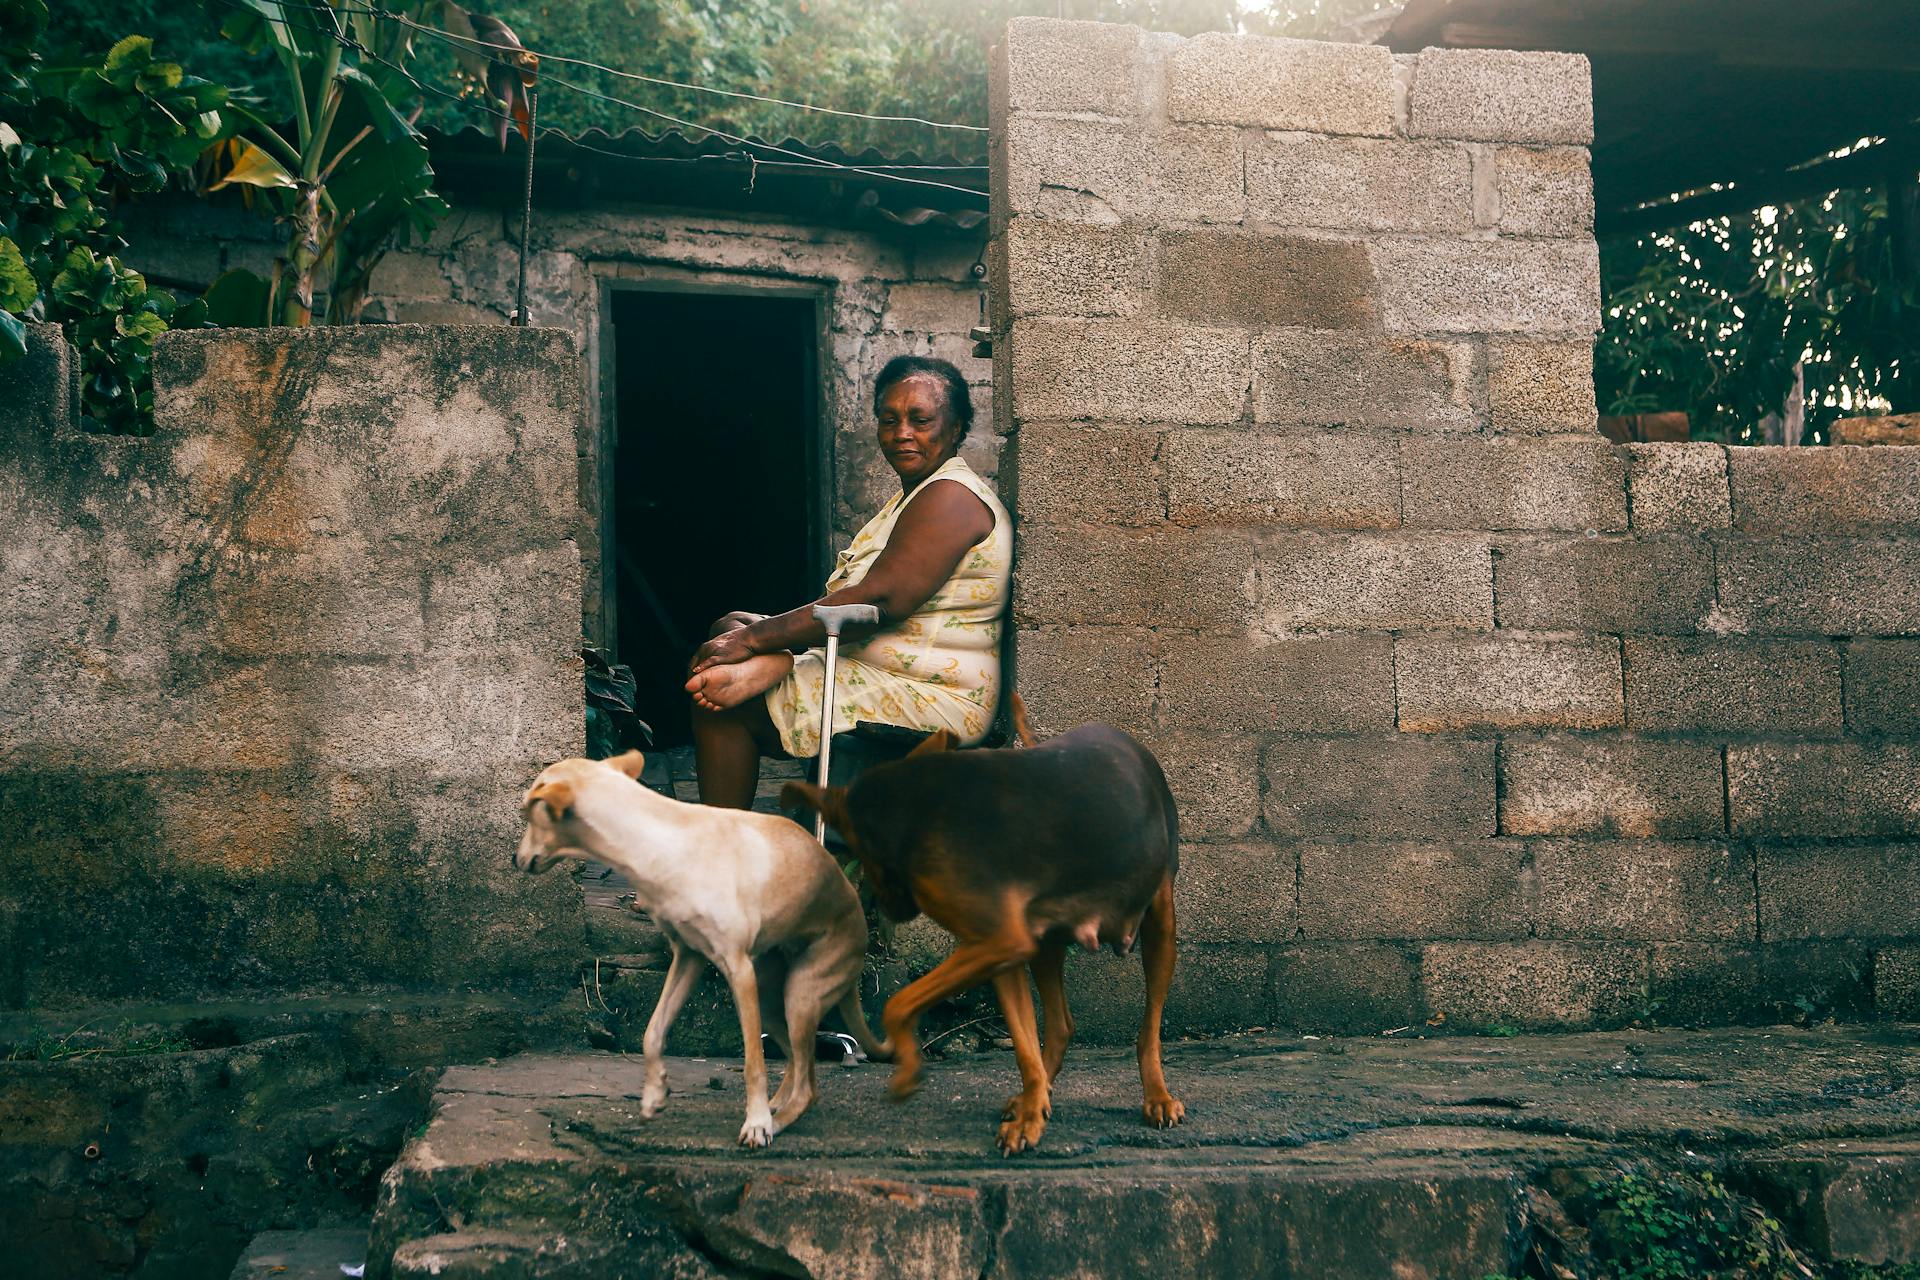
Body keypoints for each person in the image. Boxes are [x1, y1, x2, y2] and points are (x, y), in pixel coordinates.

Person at [684, 355, 1011, 809]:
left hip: (934, 696)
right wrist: (754, 637)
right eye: (889, 420)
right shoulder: (915, 495)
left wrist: (759, 641)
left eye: (921, 420)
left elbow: (880, 600)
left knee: (723, 699)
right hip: (875, 669)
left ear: (955, 429)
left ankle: (719, 858)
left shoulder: (952, 497)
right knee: (729, 626)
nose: (901, 433)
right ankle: (778, 663)